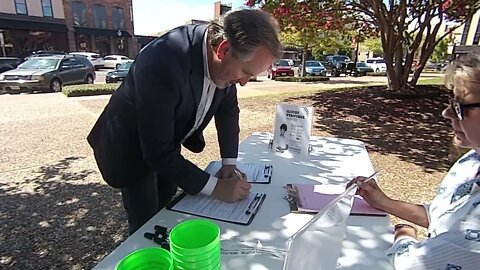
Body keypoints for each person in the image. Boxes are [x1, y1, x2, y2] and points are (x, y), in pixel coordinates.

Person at [87, 9, 283, 234]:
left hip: (168, 146)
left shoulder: (227, 63)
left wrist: (229, 164)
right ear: (224, 49)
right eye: (246, 72)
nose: (244, 83)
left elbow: (228, 111)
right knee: (145, 225)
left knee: (169, 212)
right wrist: (216, 187)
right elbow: (156, 153)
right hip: (130, 149)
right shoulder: (162, 60)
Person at [348, 51, 480, 269]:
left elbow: (413, 263)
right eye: (451, 102)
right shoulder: (472, 160)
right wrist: (384, 202)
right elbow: (444, 217)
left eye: (460, 106)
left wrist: (404, 233)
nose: (447, 113)